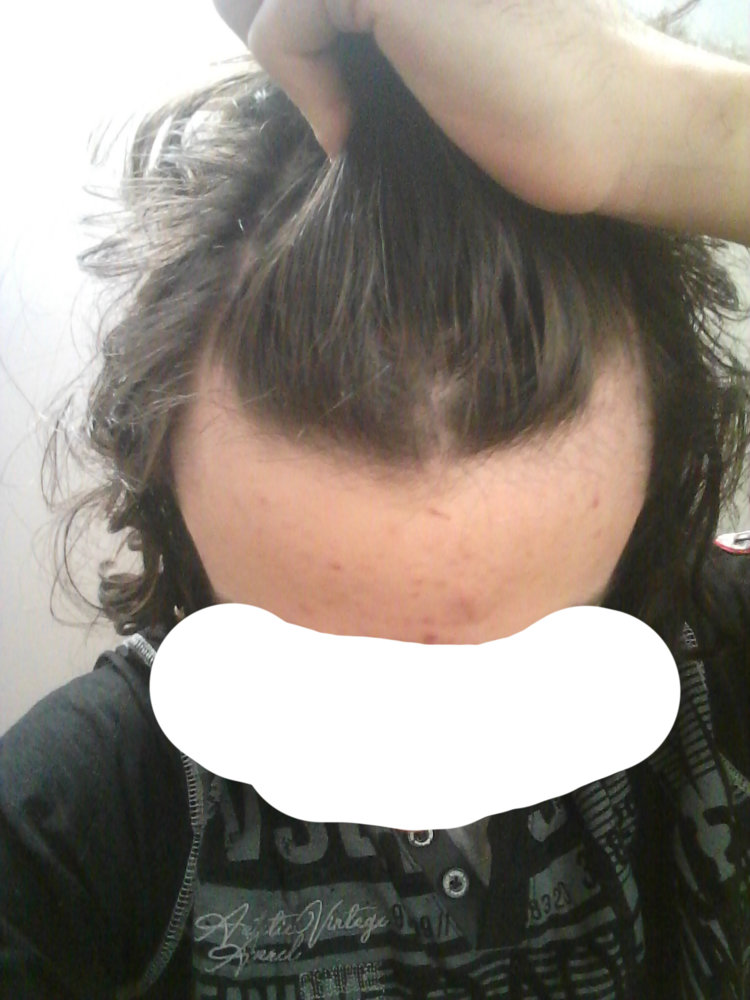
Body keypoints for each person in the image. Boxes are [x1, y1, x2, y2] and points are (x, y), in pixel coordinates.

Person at [1, 1, 749, 998]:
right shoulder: (85, 819)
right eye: (321, 675)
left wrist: (654, 124)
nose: (423, 784)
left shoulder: (720, 672)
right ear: (178, 516)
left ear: (654, 512)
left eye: (530, 668)